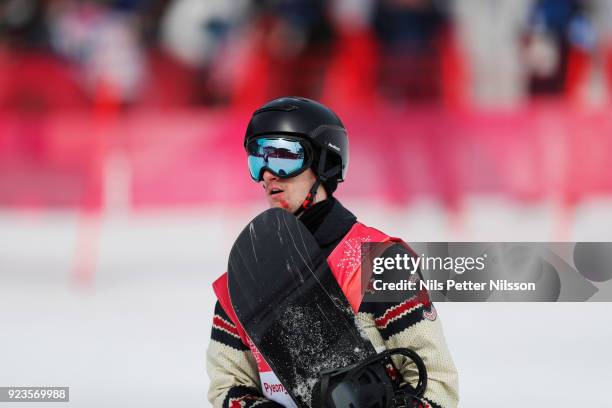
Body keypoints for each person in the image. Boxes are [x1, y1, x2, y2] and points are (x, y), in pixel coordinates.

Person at [206, 96, 459, 407]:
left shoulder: (379, 261)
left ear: (324, 161)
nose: (268, 174)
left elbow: (438, 384)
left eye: (284, 157)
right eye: (258, 160)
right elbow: (227, 387)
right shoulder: (243, 280)